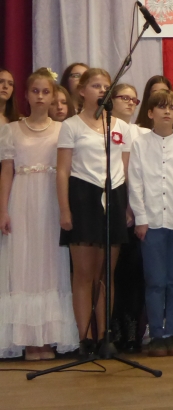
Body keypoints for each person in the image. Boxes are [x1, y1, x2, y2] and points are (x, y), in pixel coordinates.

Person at [0, 68, 79, 360]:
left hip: (51, 201)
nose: (41, 97)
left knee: (49, 265)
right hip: (21, 201)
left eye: (46, 92)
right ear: (26, 95)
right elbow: (6, 172)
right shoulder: (11, 130)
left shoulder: (62, 130)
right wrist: (3, 209)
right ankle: (27, 339)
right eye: (35, 91)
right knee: (23, 265)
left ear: (54, 95)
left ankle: (47, 337)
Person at [57, 68, 132, 358]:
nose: (102, 90)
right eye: (95, 85)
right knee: (84, 273)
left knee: (106, 273)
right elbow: (63, 171)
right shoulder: (71, 126)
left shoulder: (120, 126)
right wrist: (65, 209)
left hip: (113, 196)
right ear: (82, 91)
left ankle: (104, 336)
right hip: (83, 196)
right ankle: (84, 337)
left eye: (105, 86)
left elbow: (125, 169)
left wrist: (127, 206)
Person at [128, 90, 173, 357]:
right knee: (155, 281)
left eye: (171, 108)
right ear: (150, 113)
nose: (167, 112)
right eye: (161, 107)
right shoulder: (140, 144)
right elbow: (135, 182)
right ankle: (157, 334)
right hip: (152, 222)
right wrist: (141, 217)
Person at [110, 83, 147, 353]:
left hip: (135, 203)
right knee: (113, 272)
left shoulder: (141, 133)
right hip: (110, 201)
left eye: (134, 99)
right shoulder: (102, 129)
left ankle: (133, 328)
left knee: (134, 272)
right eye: (124, 97)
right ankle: (114, 327)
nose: (130, 103)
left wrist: (134, 207)